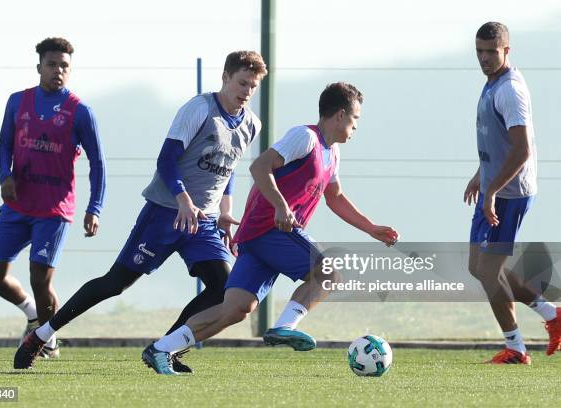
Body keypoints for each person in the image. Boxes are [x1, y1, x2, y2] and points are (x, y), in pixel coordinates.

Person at [14, 51, 268, 371]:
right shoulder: (198, 109)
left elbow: (228, 168)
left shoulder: (251, 124)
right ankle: (41, 334)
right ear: (225, 78)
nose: (246, 91)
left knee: (224, 289)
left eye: (253, 86)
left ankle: (165, 350)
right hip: (165, 213)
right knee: (114, 284)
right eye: (242, 83)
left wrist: (225, 212)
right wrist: (183, 200)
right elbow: (165, 161)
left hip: (201, 222)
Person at [143, 82, 399, 375]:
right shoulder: (304, 137)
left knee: (235, 309)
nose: (356, 128)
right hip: (270, 229)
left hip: (259, 236)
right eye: (355, 120)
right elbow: (259, 167)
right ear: (340, 115)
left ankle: (162, 348)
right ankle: (285, 326)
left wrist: (371, 228)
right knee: (328, 273)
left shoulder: (333, 154)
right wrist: (280, 205)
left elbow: (335, 197)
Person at [0, 37, 106, 358]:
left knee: (40, 277)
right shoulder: (17, 102)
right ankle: (32, 314)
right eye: (52, 64)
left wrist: (95, 207)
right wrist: (4, 176)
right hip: (18, 204)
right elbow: (2, 145)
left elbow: (99, 163)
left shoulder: (80, 112)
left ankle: (47, 341)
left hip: (54, 209)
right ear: (39, 67)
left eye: (64, 66)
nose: (58, 71)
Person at [464, 22, 560, 364]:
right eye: (480, 51)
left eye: (492, 51)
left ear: (507, 50)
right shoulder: (491, 84)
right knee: (480, 267)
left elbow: (521, 151)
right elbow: (499, 141)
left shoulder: (510, 90)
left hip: (510, 193)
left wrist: (492, 189)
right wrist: (480, 175)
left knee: (490, 272)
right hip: (494, 188)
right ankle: (552, 314)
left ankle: (516, 349)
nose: (485, 58)